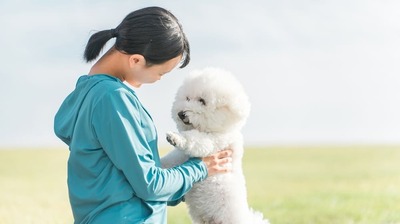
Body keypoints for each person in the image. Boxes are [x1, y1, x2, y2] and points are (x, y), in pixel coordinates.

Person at [54, 6, 232, 224]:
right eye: (160, 73)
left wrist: (193, 185)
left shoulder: (88, 94)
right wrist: (200, 168)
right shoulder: (113, 98)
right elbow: (150, 185)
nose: (158, 79)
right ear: (136, 60)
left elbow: (126, 184)